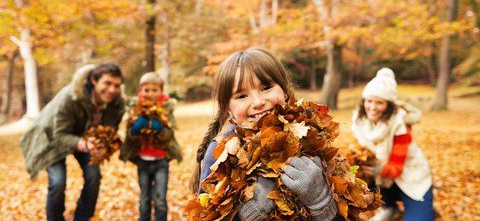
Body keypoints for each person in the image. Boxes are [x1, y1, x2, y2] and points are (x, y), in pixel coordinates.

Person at [190, 48, 338, 221]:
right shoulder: (219, 154)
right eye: (242, 95)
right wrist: (249, 214)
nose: (258, 102)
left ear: (284, 90)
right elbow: (206, 215)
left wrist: (321, 201)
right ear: (228, 109)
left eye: (266, 87)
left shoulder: (312, 137)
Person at [20, 63, 125, 221]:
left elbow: (110, 131)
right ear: (94, 80)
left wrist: (104, 147)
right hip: (53, 138)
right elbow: (59, 134)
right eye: (107, 83)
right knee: (58, 182)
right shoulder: (71, 97)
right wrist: (83, 144)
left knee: (94, 176)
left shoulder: (116, 103)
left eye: (116, 85)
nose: (112, 90)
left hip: (86, 138)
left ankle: (82, 217)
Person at [351, 68, 433, 221]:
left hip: (410, 177)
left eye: (379, 103)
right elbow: (361, 153)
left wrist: (378, 169)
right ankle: (389, 207)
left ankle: (419, 205)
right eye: (369, 101)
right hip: (383, 181)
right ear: (363, 102)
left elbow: (397, 167)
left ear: (389, 106)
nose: (373, 107)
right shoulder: (360, 122)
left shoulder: (400, 125)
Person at [120, 72, 182, 221]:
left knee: (160, 198)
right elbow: (129, 133)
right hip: (143, 161)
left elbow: (170, 134)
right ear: (140, 91)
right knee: (144, 198)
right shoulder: (136, 108)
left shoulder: (166, 109)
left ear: (161, 91)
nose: (150, 94)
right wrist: (135, 129)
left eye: (154, 90)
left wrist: (160, 129)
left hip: (161, 161)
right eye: (146, 90)